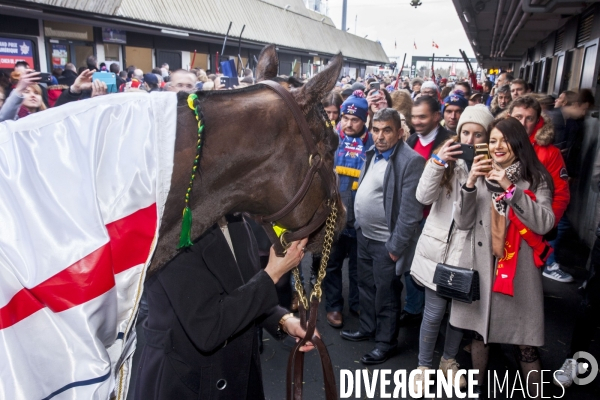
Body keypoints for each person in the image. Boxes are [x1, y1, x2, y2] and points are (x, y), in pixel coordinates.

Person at [134, 216, 314, 399]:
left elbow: (244, 290)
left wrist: (284, 320)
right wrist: (273, 273)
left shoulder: (235, 220)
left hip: (240, 372)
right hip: (187, 381)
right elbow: (208, 328)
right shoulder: (175, 231)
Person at [450, 117, 555, 396]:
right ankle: (477, 388)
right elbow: (462, 222)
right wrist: (470, 183)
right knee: (479, 335)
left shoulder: (536, 178)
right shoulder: (480, 172)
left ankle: (535, 392)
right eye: (492, 140)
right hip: (482, 268)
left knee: (526, 344)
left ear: (518, 142)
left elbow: (545, 223)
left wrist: (512, 189)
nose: (497, 146)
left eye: (504, 140)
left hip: (518, 272)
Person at [410, 105, 494, 396]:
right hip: (438, 249)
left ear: (488, 137)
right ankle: (423, 366)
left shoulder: (493, 166)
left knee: (459, 317)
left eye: (478, 134)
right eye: (465, 133)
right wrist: (436, 163)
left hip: (470, 252)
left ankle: (448, 360)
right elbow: (422, 196)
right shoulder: (446, 159)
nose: (470, 139)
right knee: (433, 314)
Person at [341, 108, 424, 365]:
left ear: (399, 132)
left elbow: (411, 212)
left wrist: (395, 247)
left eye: (387, 130)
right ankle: (367, 328)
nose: (380, 136)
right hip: (364, 236)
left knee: (386, 294)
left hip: (386, 243)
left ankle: (385, 343)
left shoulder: (410, 161)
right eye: (376, 130)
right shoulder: (371, 154)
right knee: (366, 286)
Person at [323, 91, 374, 328]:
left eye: (355, 119)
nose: (349, 123)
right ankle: (333, 306)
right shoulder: (331, 139)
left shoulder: (374, 143)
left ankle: (357, 303)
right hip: (334, 215)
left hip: (361, 218)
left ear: (364, 120)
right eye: (345, 118)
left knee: (358, 266)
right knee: (331, 264)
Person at [507, 96, 571, 282]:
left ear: (538, 120)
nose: (523, 123)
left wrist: (545, 226)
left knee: (526, 286)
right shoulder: (495, 143)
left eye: (529, 118)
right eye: (518, 117)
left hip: (531, 230)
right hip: (499, 227)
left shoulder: (550, 153)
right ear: (509, 116)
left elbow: (561, 194)